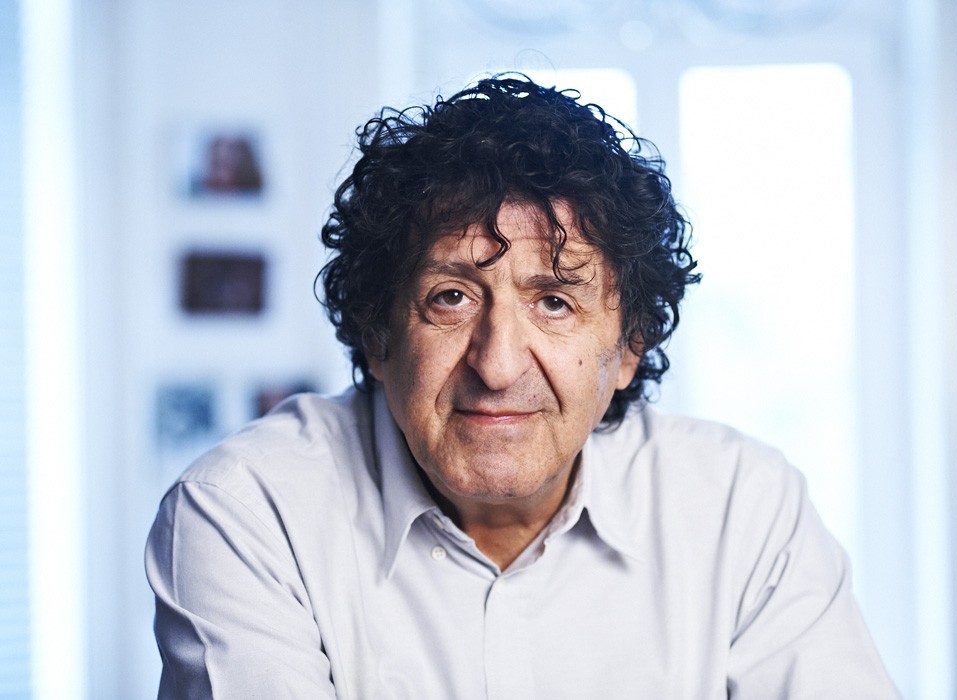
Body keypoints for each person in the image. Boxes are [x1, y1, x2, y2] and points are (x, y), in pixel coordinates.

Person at [146, 75, 898, 698]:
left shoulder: (744, 509)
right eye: (451, 298)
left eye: (555, 302)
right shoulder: (248, 513)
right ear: (378, 335)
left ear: (628, 346)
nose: (499, 364)